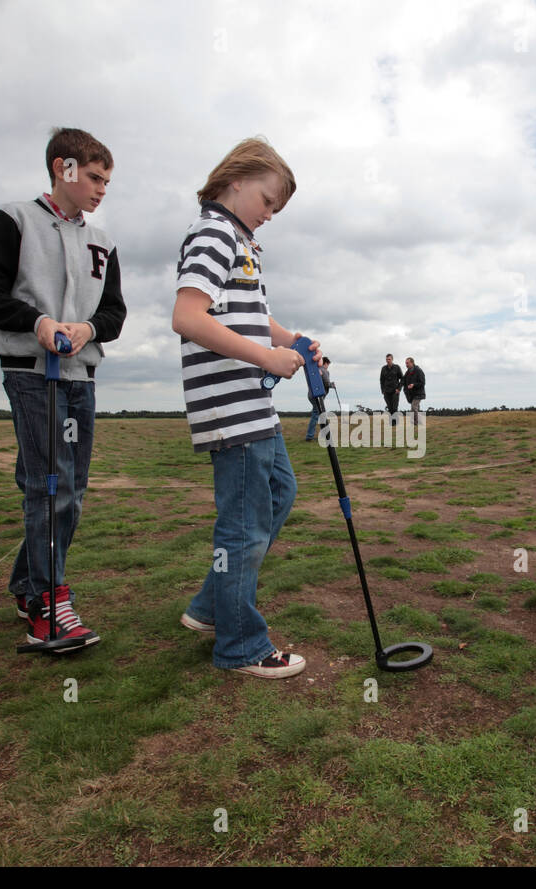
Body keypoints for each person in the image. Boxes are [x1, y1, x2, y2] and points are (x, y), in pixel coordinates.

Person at [0, 127, 127, 652]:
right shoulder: (12, 219)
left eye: (107, 180)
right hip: (31, 374)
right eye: (94, 177)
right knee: (48, 486)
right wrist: (38, 322)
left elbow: (114, 312)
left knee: (71, 491)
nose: (102, 189)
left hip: (81, 375)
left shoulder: (103, 241)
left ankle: (26, 583)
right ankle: (46, 600)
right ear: (63, 168)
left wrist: (87, 329)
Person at [172, 137, 319, 679]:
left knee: (279, 493)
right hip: (229, 405)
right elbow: (188, 316)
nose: (270, 214)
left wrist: (293, 341)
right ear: (237, 180)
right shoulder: (213, 233)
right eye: (268, 200)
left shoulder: (242, 240)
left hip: (252, 405)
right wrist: (266, 357)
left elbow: (255, 316)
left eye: (277, 207)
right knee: (244, 525)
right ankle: (240, 646)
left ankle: (214, 607)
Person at [305, 356, 333, 441]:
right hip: (318, 396)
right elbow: (327, 383)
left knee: (319, 414)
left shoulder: (314, 370)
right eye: (328, 364)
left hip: (311, 395)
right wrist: (332, 385)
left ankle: (323, 434)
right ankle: (310, 436)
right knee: (316, 415)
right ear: (326, 363)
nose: (328, 366)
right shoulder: (324, 371)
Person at [403, 356, 425, 425]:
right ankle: (418, 423)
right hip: (412, 394)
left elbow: (423, 383)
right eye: (405, 363)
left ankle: (416, 423)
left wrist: (413, 385)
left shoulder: (419, 371)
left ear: (412, 363)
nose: (406, 365)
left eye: (407, 363)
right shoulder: (407, 372)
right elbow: (403, 381)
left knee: (413, 407)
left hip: (419, 393)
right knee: (416, 408)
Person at [380, 353, 402, 422]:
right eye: (387, 359)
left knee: (394, 407)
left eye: (389, 359)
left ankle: (394, 423)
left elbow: (402, 379)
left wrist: (399, 389)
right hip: (386, 391)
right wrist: (382, 390)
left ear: (392, 359)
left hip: (395, 391)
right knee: (390, 408)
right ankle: (392, 422)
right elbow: (381, 380)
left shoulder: (397, 367)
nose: (388, 361)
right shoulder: (383, 368)